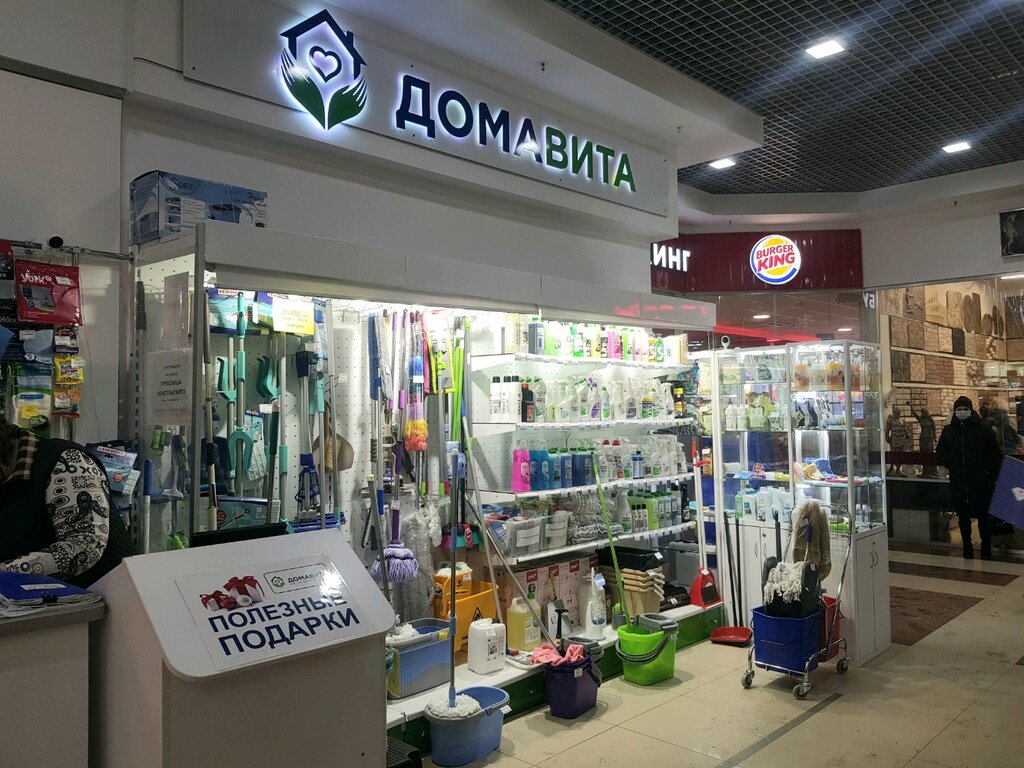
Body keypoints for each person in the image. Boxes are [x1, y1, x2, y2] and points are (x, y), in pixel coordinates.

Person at [0, 417, 131, 586]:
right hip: (31, 598)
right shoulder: (6, 479)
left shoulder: (68, 461)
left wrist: (8, 571)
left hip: (106, 595)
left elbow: (85, 545)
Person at [936, 396, 1002, 559]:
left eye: (965, 409)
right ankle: (967, 547)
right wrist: (952, 464)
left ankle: (986, 548)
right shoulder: (949, 430)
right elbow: (941, 451)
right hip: (959, 481)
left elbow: (994, 454)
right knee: (963, 517)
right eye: (959, 409)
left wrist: (991, 475)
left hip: (981, 481)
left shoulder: (983, 429)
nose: (962, 412)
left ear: (971, 410)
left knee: (983, 517)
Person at [910, 405, 938, 478]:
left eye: (924, 412)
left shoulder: (931, 419)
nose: (923, 413)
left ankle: (932, 471)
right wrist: (911, 406)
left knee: (930, 454)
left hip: (929, 439)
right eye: (922, 412)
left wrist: (935, 438)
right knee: (923, 454)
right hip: (922, 438)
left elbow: (934, 430)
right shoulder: (921, 419)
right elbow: (915, 414)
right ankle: (925, 471)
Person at [885, 406, 911, 476]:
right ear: (894, 413)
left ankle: (898, 469)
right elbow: (887, 430)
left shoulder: (902, 420)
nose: (899, 414)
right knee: (893, 453)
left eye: (899, 412)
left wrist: (907, 434)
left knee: (900, 454)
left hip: (901, 438)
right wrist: (886, 437)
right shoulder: (890, 421)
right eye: (897, 412)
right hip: (894, 438)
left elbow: (904, 429)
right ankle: (891, 467)